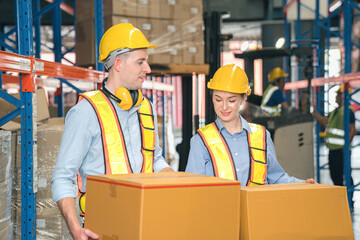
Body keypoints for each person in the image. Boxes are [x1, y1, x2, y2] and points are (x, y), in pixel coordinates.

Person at [51, 23, 173, 240]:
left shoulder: (146, 108)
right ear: (118, 63)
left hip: (143, 223)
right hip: (101, 229)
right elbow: (62, 177)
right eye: (140, 62)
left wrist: (177, 180)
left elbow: (154, 159)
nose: (148, 69)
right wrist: (75, 228)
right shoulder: (85, 112)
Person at [186, 64, 315, 185]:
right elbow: (194, 188)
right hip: (219, 209)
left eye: (231, 100)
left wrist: (300, 184)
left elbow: (276, 178)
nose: (224, 107)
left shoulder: (262, 136)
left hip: (257, 208)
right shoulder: (201, 141)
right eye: (218, 99)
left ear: (243, 99)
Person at [313, 85, 356, 202]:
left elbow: (352, 129)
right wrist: (315, 113)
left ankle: (349, 200)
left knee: (345, 175)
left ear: (344, 96)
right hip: (333, 150)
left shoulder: (348, 111)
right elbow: (324, 121)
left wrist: (345, 146)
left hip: (342, 150)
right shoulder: (334, 111)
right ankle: (341, 199)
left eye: (339, 94)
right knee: (335, 175)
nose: (336, 96)